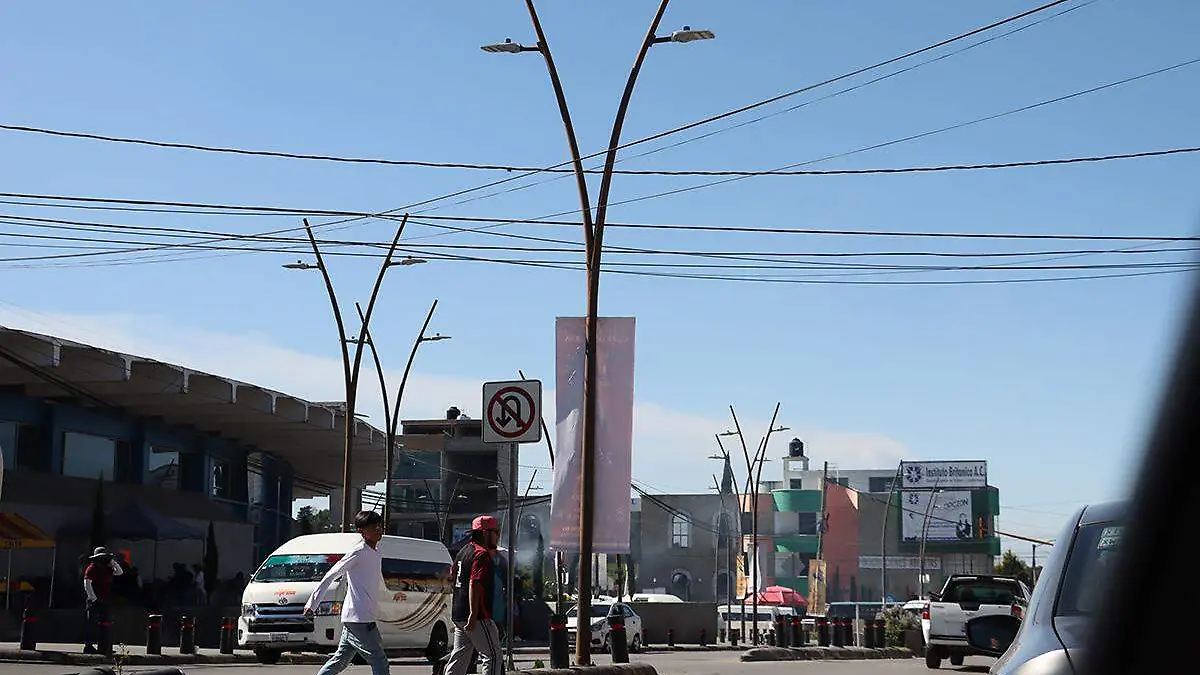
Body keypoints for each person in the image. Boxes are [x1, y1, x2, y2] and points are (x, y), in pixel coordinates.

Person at [303, 511, 405, 675]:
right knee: (380, 661)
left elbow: (374, 583)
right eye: (374, 527)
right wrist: (312, 604)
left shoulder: (377, 552)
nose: (379, 529)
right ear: (361, 531)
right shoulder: (358, 552)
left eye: (380, 525)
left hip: (359, 616)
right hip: (360, 618)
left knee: (341, 660)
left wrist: (394, 596)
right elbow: (332, 574)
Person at [444, 516, 502, 675]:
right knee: (493, 656)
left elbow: (451, 578)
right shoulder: (481, 554)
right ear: (485, 533)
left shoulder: (463, 552)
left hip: (458, 613)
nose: (498, 536)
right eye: (496, 532)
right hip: (476, 616)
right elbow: (474, 583)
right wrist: (473, 613)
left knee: (460, 656)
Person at [82, 546, 124, 655]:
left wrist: (113, 562)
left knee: (105, 622)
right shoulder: (92, 568)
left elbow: (119, 572)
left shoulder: (107, 568)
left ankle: (104, 645)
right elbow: (87, 584)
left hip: (105, 599)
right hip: (94, 600)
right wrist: (93, 598)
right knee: (91, 623)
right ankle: (88, 646)